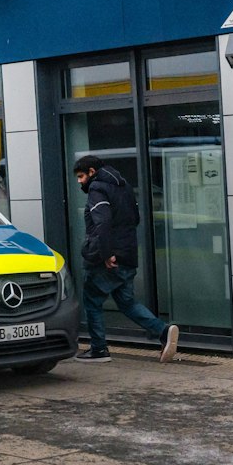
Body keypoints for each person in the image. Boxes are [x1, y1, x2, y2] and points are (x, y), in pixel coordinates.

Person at [71, 155, 178, 363]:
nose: (79, 181)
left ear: (92, 172)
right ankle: (163, 332)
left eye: (81, 176)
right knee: (126, 302)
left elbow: (102, 223)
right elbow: (135, 218)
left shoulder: (97, 189)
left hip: (107, 258)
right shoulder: (124, 186)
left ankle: (99, 349)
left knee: (92, 300)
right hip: (128, 253)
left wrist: (106, 253)